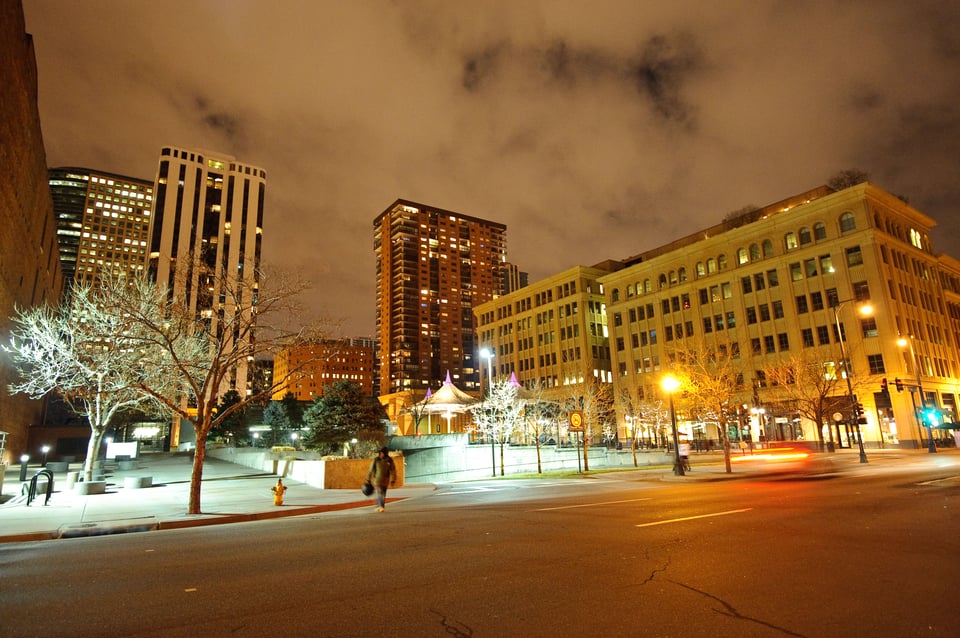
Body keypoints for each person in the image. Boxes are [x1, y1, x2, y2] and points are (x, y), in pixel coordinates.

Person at [366, 447, 397, 512]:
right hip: (377, 480)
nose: (381, 454)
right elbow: (370, 469)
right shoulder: (376, 460)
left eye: (382, 453)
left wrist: (393, 479)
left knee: (383, 494)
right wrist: (368, 478)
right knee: (380, 492)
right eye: (380, 453)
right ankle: (381, 506)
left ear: (385, 453)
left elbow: (393, 470)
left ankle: (379, 506)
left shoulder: (389, 460)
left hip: (386, 480)